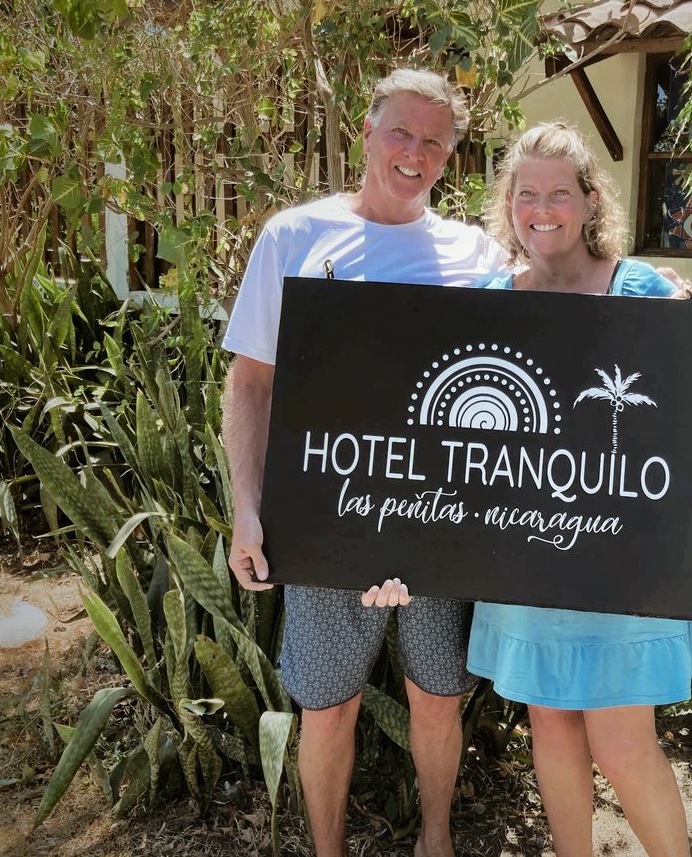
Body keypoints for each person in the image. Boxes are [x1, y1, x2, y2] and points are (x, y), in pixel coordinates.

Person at [220, 68, 506, 857]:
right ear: (368, 132)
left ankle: (436, 840)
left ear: (450, 157)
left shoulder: (472, 250)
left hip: (438, 526)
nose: (415, 153)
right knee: (327, 707)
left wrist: (658, 296)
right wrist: (248, 508)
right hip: (324, 525)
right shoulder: (295, 236)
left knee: (438, 697)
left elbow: (552, 316)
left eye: (435, 142)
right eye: (401, 133)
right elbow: (249, 382)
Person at [464, 121, 692, 857]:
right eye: (526, 194)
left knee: (620, 742)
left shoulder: (641, 287)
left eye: (559, 192)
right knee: (549, 725)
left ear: (588, 201)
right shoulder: (490, 298)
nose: (541, 208)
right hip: (527, 558)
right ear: (508, 205)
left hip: (623, 558)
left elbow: (683, 417)